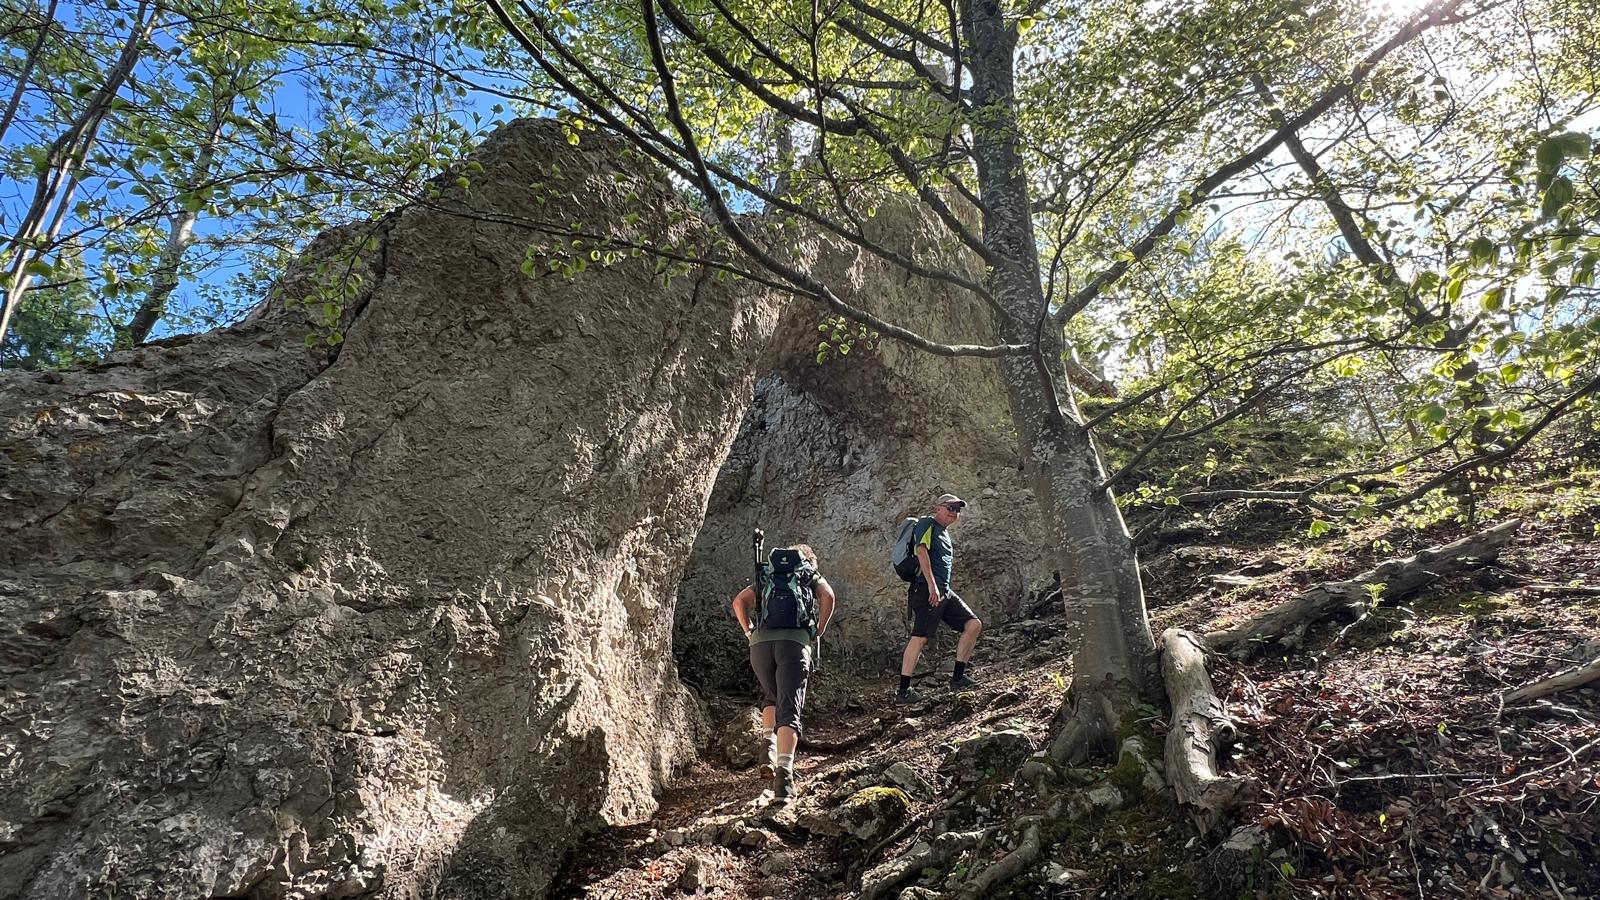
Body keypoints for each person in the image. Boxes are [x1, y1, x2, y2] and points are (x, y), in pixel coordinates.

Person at [731, 543, 835, 799]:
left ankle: (768, 745)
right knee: (789, 708)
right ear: (808, 561)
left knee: (771, 695)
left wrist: (749, 631)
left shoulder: (768, 572)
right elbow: (828, 597)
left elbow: (739, 601)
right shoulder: (808, 573)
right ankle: (784, 779)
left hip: (760, 645)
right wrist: (818, 630)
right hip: (794, 643)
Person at [896, 493, 983, 703]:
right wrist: (932, 585)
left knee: (973, 624)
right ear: (938, 508)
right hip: (925, 588)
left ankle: (958, 678)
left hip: (944, 590)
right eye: (950, 508)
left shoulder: (944, 533)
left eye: (957, 510)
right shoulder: (927, 523)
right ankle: (903, 691)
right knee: (920, 637)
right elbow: (921, 551)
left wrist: (939, 587)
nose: (954, 512)